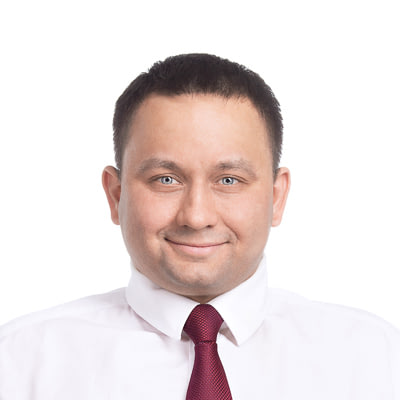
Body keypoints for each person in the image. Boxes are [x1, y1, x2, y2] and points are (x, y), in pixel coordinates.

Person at [0, 53, 399, 399]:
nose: (196, 216)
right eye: (165, 179)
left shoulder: (376, 360)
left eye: (229, 180)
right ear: (115, 195)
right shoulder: (20, 363)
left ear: (276, 197)